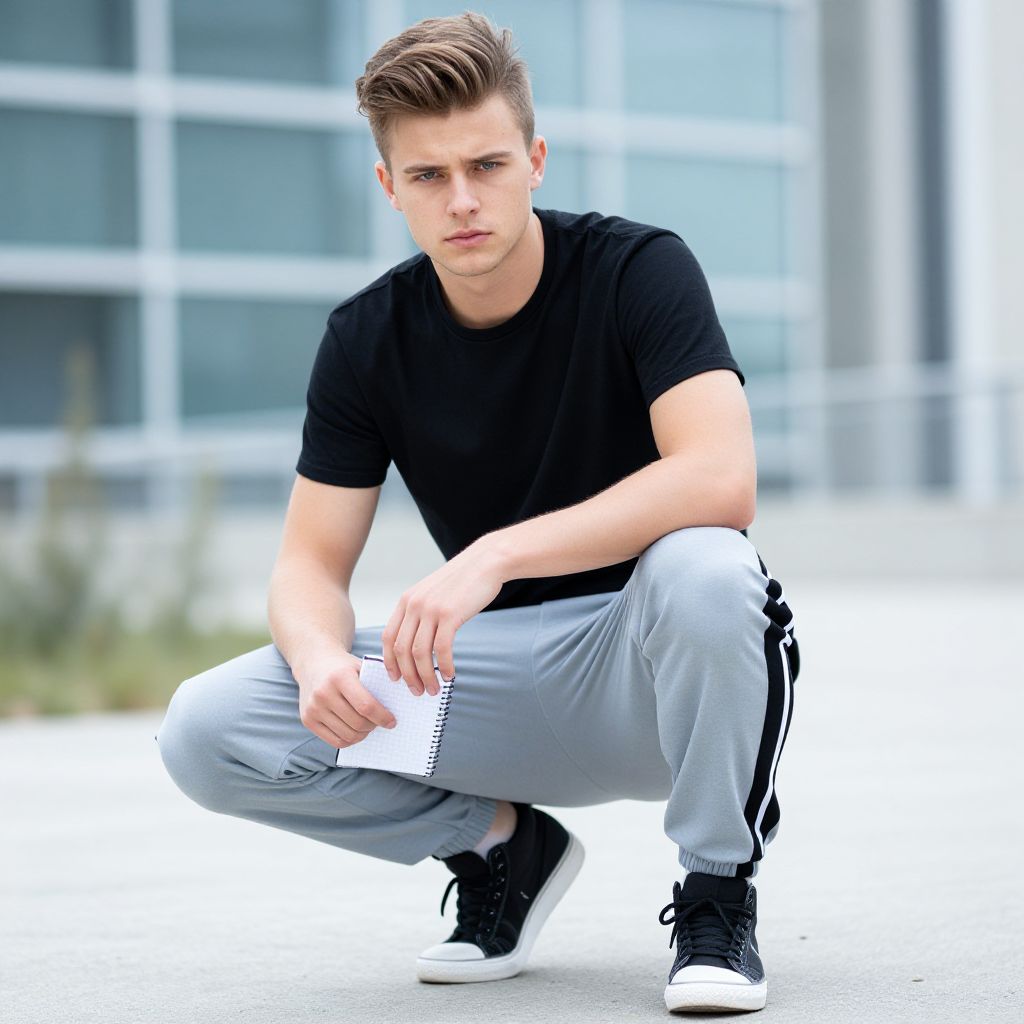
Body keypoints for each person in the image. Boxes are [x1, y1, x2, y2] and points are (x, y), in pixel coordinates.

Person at [155, 10, 800, 1016]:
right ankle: (500, 845)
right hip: (482, 685)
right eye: (427, 176)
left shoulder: (638, 272)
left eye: (487, 165)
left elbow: (719, 476)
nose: (462, 200)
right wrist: (324, 665)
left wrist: (493, 555)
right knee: (206, 727)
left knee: (710, 567)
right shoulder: (367, 337)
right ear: (389, 188)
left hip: (644, 667)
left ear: (535, 159)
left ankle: (715, 892)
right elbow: (307, 568)